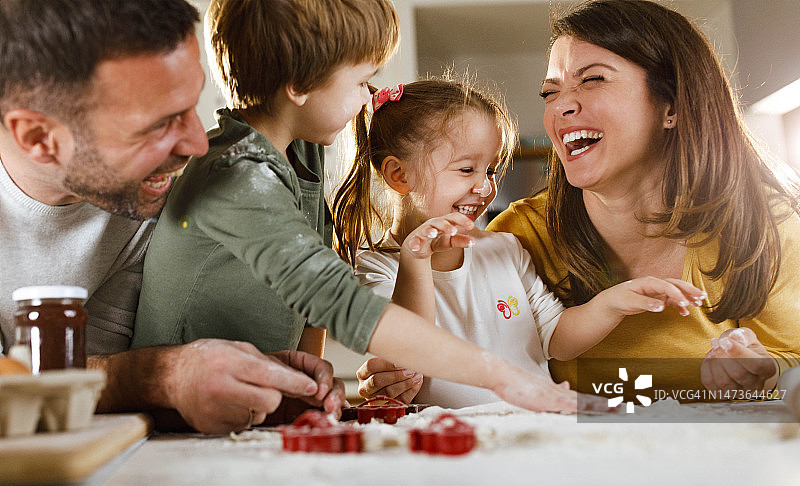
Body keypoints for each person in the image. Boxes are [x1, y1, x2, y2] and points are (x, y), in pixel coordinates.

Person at [130, 0, 612, 416]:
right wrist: (504, 377)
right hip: (176, 410)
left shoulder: (300, 155)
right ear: (300, 84)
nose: (367, 98)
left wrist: (312, 389)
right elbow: (335, 299)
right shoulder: (238, 174)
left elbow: (309, 311)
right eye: (362, 80)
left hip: (248, 404)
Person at [0, 0, 347, 435]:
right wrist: (163, 374)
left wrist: (247, 376)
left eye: (192, 107)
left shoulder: (150, 199)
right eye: (160, 124)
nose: (198, 144)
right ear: (39, 137)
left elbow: (86, 387)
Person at [483, 0, 800, 398]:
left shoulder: (763, 224)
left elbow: (791, 360)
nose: (561, 105)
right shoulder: (518, 236)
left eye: (593, 79)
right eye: (550, 92)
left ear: (671, 105)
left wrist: (765, 374)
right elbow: (463, 359)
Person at [336, 78, 703, 407]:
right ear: (399, 175)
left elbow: (556, 338)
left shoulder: (504, 250)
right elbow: (411, 350)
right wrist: (416, 257)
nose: (485, 187)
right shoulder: (376, 267)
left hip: (534, 428)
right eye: (466, 169)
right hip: (454, 442)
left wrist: (616, 301)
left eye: (491, 170)